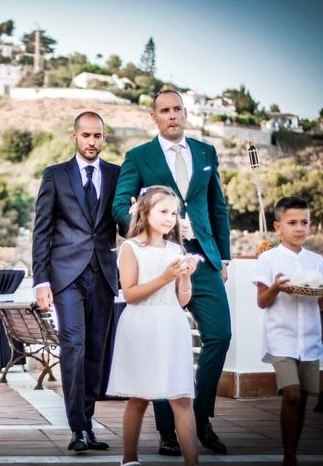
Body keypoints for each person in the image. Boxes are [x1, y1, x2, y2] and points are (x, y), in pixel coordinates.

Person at [112, 89, 232, 456]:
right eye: (164, 110)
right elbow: (120, 204)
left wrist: (223, 257)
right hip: (159, 255)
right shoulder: (138, 156)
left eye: (178, 109)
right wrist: (144, 235)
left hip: (204, 257)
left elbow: (217, 206)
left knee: (220, 334)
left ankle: (201, 416)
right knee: (160, 345)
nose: (172, 115)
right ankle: (168, 431)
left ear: (185, 113)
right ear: (154, 117)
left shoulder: (206, 152)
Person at [32, 111, 123, 453]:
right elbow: (41, 231)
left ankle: (88, 422)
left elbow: (126, 223)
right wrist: (41, 280)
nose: (92, 141)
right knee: (74, 346)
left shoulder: (116, 175)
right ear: (74, 136)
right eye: (86, 135)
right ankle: (77, 429)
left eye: (98, 136)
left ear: (103, 137)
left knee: (96, 352)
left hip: (103, 274)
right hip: (66, 276)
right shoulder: (55, 175)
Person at [107, 186, 199, 466]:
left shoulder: (175, 249)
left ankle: (193, 463)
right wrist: (164, 276)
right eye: (163, 211)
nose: (170, 218)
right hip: (142, 324)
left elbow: (182, 300)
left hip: (171, 323)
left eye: (174, 212)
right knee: (139, 397)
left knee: (181, 396)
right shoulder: (130, 248)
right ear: (145, 212)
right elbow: (131, 294)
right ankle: (129, 458)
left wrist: (185, 278)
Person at [253, 196, 323, 466]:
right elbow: (262, 302)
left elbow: (320, 305)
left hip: (310, 340)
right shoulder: (268, 259)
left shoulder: (317, 261)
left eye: (304, 222)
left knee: (303, 399)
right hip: (281, 338)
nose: (299, 228)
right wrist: (276, 287)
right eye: (292, 223)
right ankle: (288, 457)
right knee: (292, 394)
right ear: (278, 228)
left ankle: (293, 452)